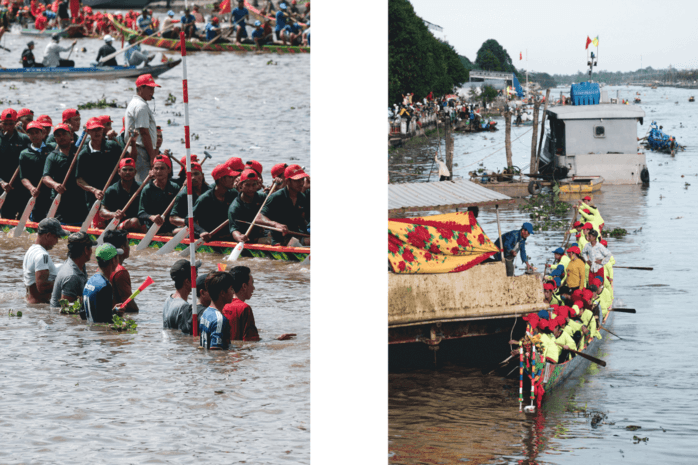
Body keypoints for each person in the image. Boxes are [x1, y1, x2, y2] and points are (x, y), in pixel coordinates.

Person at [42, 123, 89, 225]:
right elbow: (45, 177)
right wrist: (55, 185)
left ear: (71, 135)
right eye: (58, 135)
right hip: (60, 201)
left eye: (64, 134)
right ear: (55, 138)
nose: (61, 137)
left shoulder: (80, 153)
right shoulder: (52, 156)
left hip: (79, 200)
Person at [75, 117, 123, 213]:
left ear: (103, 130)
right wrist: (94, 190)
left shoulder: (113, 146)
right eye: (93, 130)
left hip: (114, 194)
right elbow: (79, 180)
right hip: (94, 197)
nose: (96, 132)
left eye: (99, 129)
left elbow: (126, 162)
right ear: (88, 132)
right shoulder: (83, 154)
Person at [228, 169, 287, 244]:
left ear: (258, 185)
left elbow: (277, 204)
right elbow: (234, 230)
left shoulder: (262, 197)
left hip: (262, 233)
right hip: (248, 238)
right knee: (275, 242)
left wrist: (278, 188)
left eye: (254, 185)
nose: (251, 188)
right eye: (247, 185)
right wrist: (239, 237)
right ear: (240, 186)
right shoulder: (235, 207)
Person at [261, 164, 310, 246]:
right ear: (287, 181)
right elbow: (259, 218)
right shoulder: (276, 197)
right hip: (280, 239)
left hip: (296, 236)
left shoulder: (302, 197)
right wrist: (276, 225)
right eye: (297, 180)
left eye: (302, 179)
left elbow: (303, 220)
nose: (301, 183)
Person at [23, 218, 68, 304]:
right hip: (41, 306)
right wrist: (64, 282)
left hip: (32, 304)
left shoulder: (31, 250)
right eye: (56, 237)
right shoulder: (42, 255)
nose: (57, 241)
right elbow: (42, 287)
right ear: (47, 235)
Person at [125, 73, 160, 182]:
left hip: (138, 149)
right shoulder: (141, 106)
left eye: (153, 89)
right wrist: (152, 157)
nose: (152, 92)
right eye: (150, 88)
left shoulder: (136, 103)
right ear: (140, 88)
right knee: (143, 183)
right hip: (142, 151)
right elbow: (144, 132)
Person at [19, 121, 53, 222]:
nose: (34, 135)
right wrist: (31, 188)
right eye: (31, 133)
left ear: (42, 134)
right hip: (36, 194)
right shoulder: (24, 154)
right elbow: (23, 177)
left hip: (51, 192)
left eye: (37, 132)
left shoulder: (52, 148)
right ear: (28, 135)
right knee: (38, 222)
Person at [194, 164, 239, 242]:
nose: (233, 180)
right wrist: (201, 231)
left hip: (227, 236)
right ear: (221, 179)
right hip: (210, 237)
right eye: (230, 177)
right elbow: (189, 220)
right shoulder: (204, 198)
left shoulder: (234, 194)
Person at [0, 108, 31, 220]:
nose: (8, 127)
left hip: (21, 185)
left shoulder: (24, 139)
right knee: (6, 218)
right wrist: (1, 182)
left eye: (11, 124)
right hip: (3, 186)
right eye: (5, 124)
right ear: (1, 122)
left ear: (16, 122)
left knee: (22, 218)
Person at [50, 232, 95, 308]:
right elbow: (67, 311)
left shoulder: (79, 265)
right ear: (86, 250)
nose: (91, 251)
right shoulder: (72, 276)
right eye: (90, 248)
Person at [137, 154, 180, 234]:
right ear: (152, 170)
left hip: (171, 228)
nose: (158, 171)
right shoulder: (147, 189)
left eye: (162, 168)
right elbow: (141, 213)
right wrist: (151, 217)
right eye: (156, 168)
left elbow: (181, 210)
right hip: (153, 228)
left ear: (169, 170)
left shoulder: (175, 188)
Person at [83, 244, 124, 323]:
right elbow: (107, 321)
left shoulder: (91, 281)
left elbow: (93, 312)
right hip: (98, 333)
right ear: (113, 260)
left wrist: (114, 311)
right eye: (117, 257)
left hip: (90, 329)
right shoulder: (105, 286)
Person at [100, 158, 144, 232]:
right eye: (124, 169)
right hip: (117, 226)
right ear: (119, 171)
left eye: (131, 170)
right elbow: (102, 211)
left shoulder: (142, 188)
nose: (128, 172)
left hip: (140, 225)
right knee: (134, 222)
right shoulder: (112, 190)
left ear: (135, 172)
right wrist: (113, 214)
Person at [102, 229, 139, 312]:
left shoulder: (102, 267)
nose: (129, 248)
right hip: (117, 317)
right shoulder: (121, 272)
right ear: (122, 248)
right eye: (128, 244)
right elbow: (129, 303)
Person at [222, 266, 260, 341]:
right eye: (252, 283)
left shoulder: (221, 304)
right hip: (238, 352)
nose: (253, 288)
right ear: (244, 286)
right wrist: (275, 340)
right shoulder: (244, 308)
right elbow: (251, 341)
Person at [163, 259, 201, 334]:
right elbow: (184, 335)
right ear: (187, 281)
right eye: (196, 277)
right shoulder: (184, 307)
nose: (197, 280)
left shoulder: (168, 299)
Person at [170, 161, 209, 234]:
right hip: (187, 228)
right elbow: (172, 219)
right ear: (186, 177)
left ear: (202, 175)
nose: (193, 177)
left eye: (196, 174)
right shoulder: (183, 194)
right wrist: (187, 222)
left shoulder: (209, 191)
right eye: (190, 175)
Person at [199, 271, 233, 350]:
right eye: (231, 289)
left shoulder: (206, 312)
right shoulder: (219, 320)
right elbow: (216, 352)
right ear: (222, 293)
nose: (233, 292)